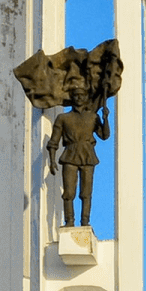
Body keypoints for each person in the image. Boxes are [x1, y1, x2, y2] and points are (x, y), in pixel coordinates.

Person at [45, 71, 109, 228]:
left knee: (86, 193)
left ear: (86, 97)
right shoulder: (63, 119)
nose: (79, 98)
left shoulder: (93, 117)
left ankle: (85, 222)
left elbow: (104, 135)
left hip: (87, 155)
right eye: (76, 95)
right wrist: (52, 161)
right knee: (69, 193)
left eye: (82, 95)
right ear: (72, 98)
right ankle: (69, 221)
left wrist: (106, 118)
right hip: (70, 155)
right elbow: (54, 142)